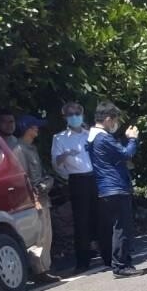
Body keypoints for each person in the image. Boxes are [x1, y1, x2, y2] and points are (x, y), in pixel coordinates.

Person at [88, 101, 140, 278]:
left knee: (118, 226)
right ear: (108, 119)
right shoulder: (103, 137)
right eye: (114, 120)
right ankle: (120, 265)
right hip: (115, 186)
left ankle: (123, 262)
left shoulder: (92, 137)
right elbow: (126, 153)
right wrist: (132, 138)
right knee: (122, 227)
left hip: (106, 187)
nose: (115, 124)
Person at [52, 102, 100, 271]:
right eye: (70, 114)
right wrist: (65, 156)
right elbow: (57, 164)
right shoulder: (60, 138)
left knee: (101, 216)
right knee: (81, 221)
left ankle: (108, 254)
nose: (74, 117)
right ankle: (83, 260)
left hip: (94, 178)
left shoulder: (90, 135)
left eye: (77, 113)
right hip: (77, 180)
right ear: (65, 117)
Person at [11, 115, 55, 276]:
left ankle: (46, 268)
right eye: (34, 126)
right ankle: (40, 271)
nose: (37, 129)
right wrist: (33, 199)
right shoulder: (19, 149)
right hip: (34, 200)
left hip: (43, 196)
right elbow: (23, 178)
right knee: (40, 237)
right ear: (27, 129)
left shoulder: (32, 148)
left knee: (47, 235)